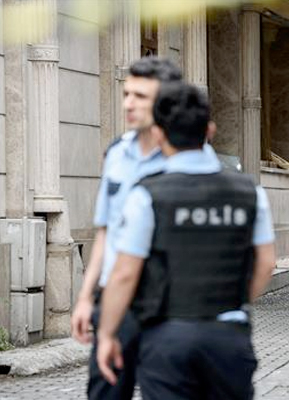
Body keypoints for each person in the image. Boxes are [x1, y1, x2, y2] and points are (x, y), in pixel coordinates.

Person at [96, 82, 276, 399]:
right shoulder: (251, 193)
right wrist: (232, 301)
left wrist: (109, 333)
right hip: (228, 337)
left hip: (168, 337)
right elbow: (266, 264)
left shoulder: (146, 195)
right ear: (210, 130)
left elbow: (124, 273)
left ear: (160, 134)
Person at [70, 56, 183, 399]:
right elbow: (106, 231)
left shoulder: (186, 160)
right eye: (126, 94)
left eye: (140, 96)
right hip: (116, 301)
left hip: (168, 303)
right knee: (105, 390)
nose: (129, 104)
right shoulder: (116, 153)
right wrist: (87, 297)